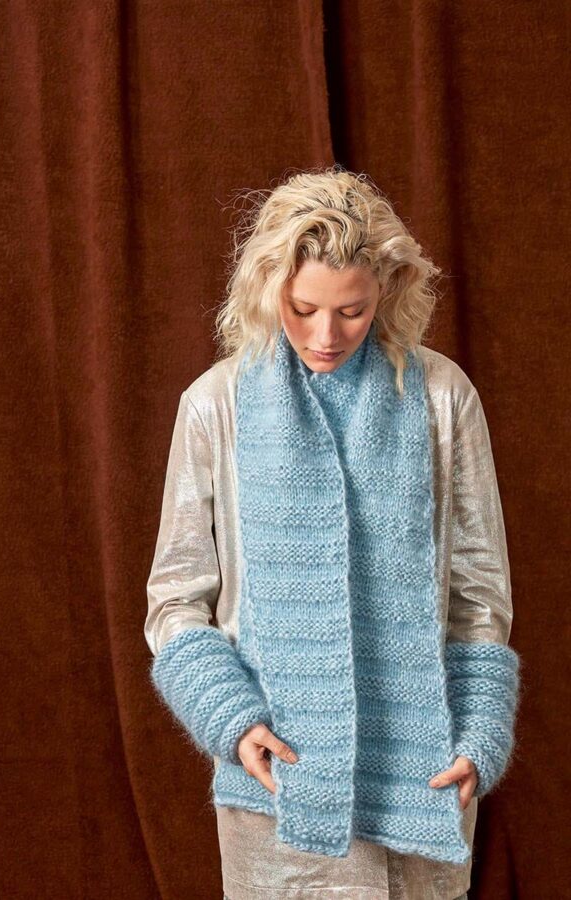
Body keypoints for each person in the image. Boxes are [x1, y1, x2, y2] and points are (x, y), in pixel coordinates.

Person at [144, 166, 521, 900]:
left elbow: (479, 594)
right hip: (276, 785)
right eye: (303, 308)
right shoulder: (215, 405)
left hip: (424, 779)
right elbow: (175, 599)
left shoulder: (441, 396)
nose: (326, 335)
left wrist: (479, 732)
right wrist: (231, 719)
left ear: (388, 289)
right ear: (268, 289)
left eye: (351, 310)